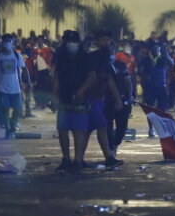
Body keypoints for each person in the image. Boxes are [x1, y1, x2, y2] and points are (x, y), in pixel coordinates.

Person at [76, 30, 124, 168]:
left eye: (108, 40)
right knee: (102, 126)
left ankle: (79, 160)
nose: (106, 43)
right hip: (91, 99)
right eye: (103, 40)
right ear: (97, 41)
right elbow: (95, 78)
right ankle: (108, 158)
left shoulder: (105, 59)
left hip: (98, 99)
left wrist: (117, 98)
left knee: (87, 130)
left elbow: (109, 81)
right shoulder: (92, 58)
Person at [52, 30, 91, 172]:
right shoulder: (61, 56)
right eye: (68, 41)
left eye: (73, 41)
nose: (70, 44)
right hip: (64, 98)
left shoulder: (84, 57)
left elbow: (91, 77)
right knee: (62, 130)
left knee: (78, 131)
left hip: (80, 100)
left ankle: (78, 161)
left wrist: (81, 91)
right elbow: (56, 77)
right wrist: (54, 95)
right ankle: (66, 159)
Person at [0, 33, 24, 139]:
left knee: (18, 109)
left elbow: (23, 68)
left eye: (9, 40)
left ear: (12, 42)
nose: (7, 42)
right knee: (4, 109)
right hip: (1, 88)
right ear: (2, 42)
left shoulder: (17, 55)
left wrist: (28, 82)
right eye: (5, 40)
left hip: (15, 87)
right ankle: (8, 130)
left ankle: (13, 122)